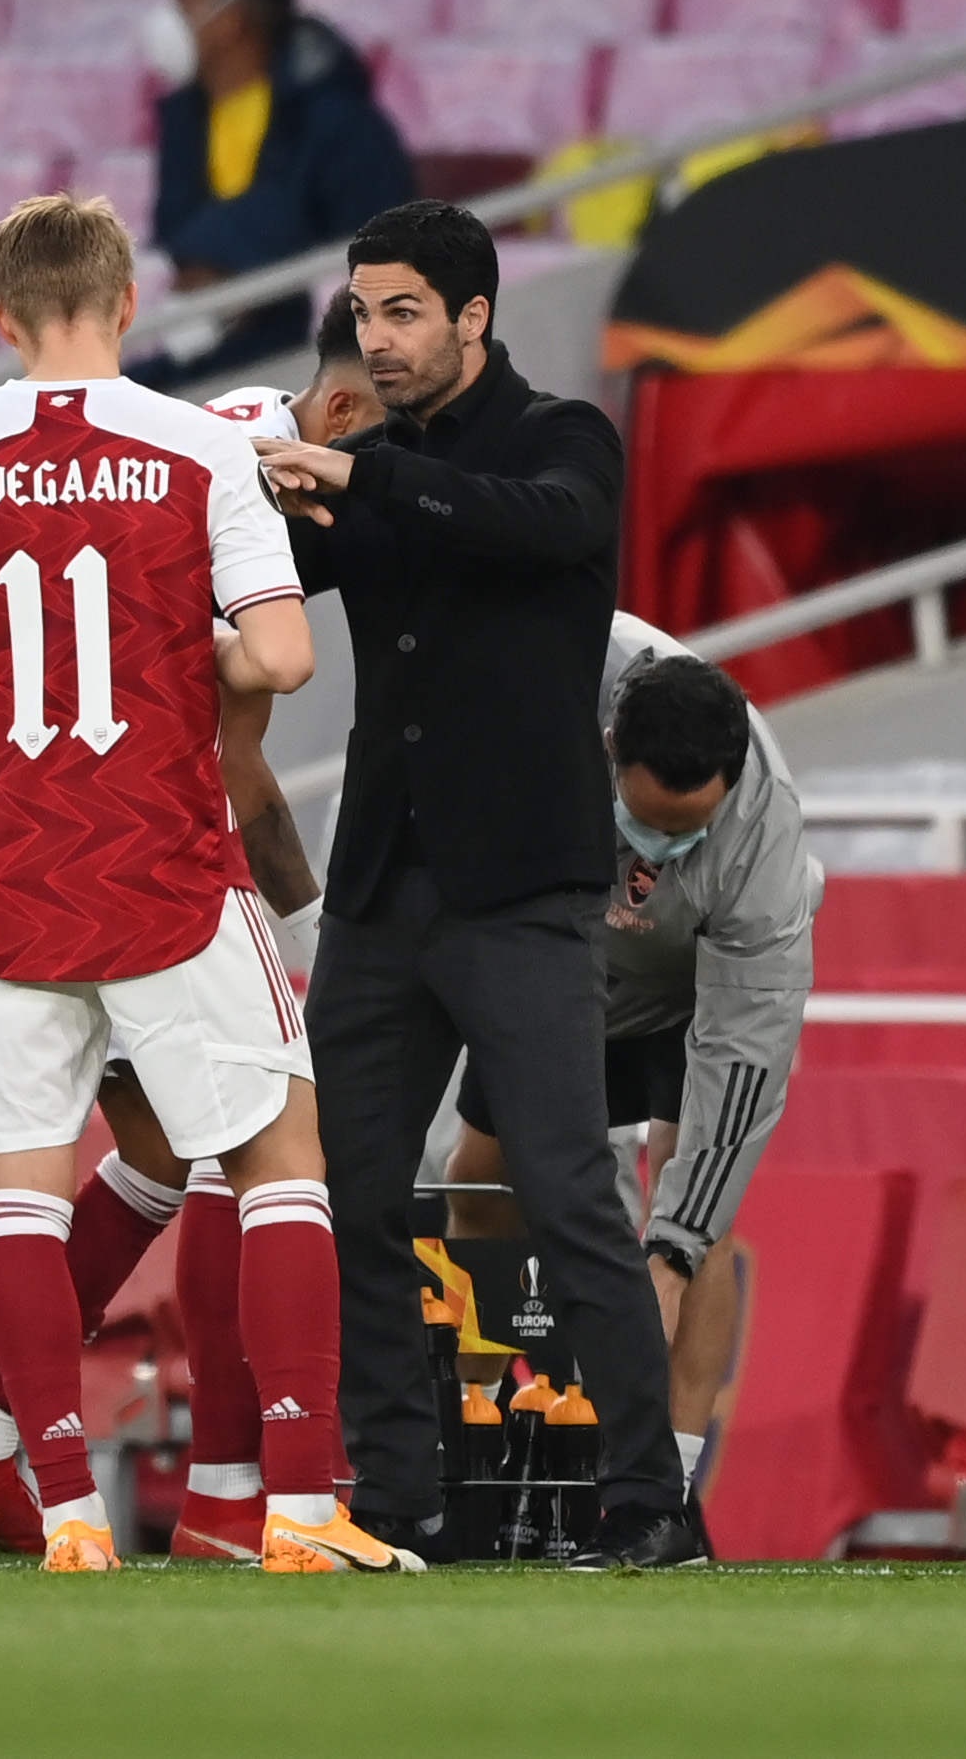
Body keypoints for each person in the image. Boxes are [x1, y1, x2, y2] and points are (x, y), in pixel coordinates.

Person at [0, 193, 415, 1575]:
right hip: (161, 862)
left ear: (0, 315)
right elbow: (281, 657)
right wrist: (188, 662)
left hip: (6, 880)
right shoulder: (190, 447)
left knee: (25, 1196)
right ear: (121, 304)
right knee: (280, 1158)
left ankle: (65, 1512)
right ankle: (293, 1507)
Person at [257, 200, 701, 1571]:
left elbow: (536, 525)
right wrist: (254, 479)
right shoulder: (369, 462)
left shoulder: (564, 437)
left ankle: (647, 1502)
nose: (377, 338)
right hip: (385, 885)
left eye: (402, 311)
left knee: (567, 1188)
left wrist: (356, 474)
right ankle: (399, 1500)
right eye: (363, 311)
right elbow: (273, 579)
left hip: (522, 881)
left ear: (472, 317)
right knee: (349, 1193)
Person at [452, 623, 821, 1565]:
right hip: (554, 959)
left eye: (685, 830)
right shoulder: (552, 703)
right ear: (611, 751)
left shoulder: (764, 843)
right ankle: (475, 1434)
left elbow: (744, 1059)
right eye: (649, 821)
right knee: (480, 1184)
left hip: (685, 987)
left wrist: (670, 1250)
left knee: (696, 1214)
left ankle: (668, 1480)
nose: (660, 847)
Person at [137, 0, 414, 388]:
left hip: (312, 362)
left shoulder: (338, 119)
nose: (167, 15)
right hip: (209, 352)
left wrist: (244, 280)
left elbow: (381, 243)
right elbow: (176, 236)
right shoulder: (183, 120)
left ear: (230, 21)